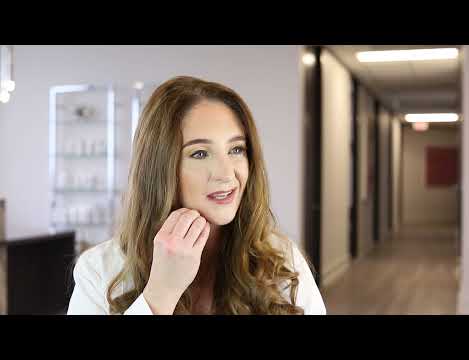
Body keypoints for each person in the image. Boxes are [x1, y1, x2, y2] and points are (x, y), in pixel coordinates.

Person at [67, 76, 327, 315]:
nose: (227, 174)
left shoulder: (282, 261)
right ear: (159, 168)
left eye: (236, 149)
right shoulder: (99, 271)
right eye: (200, 153)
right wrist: (160, 294)